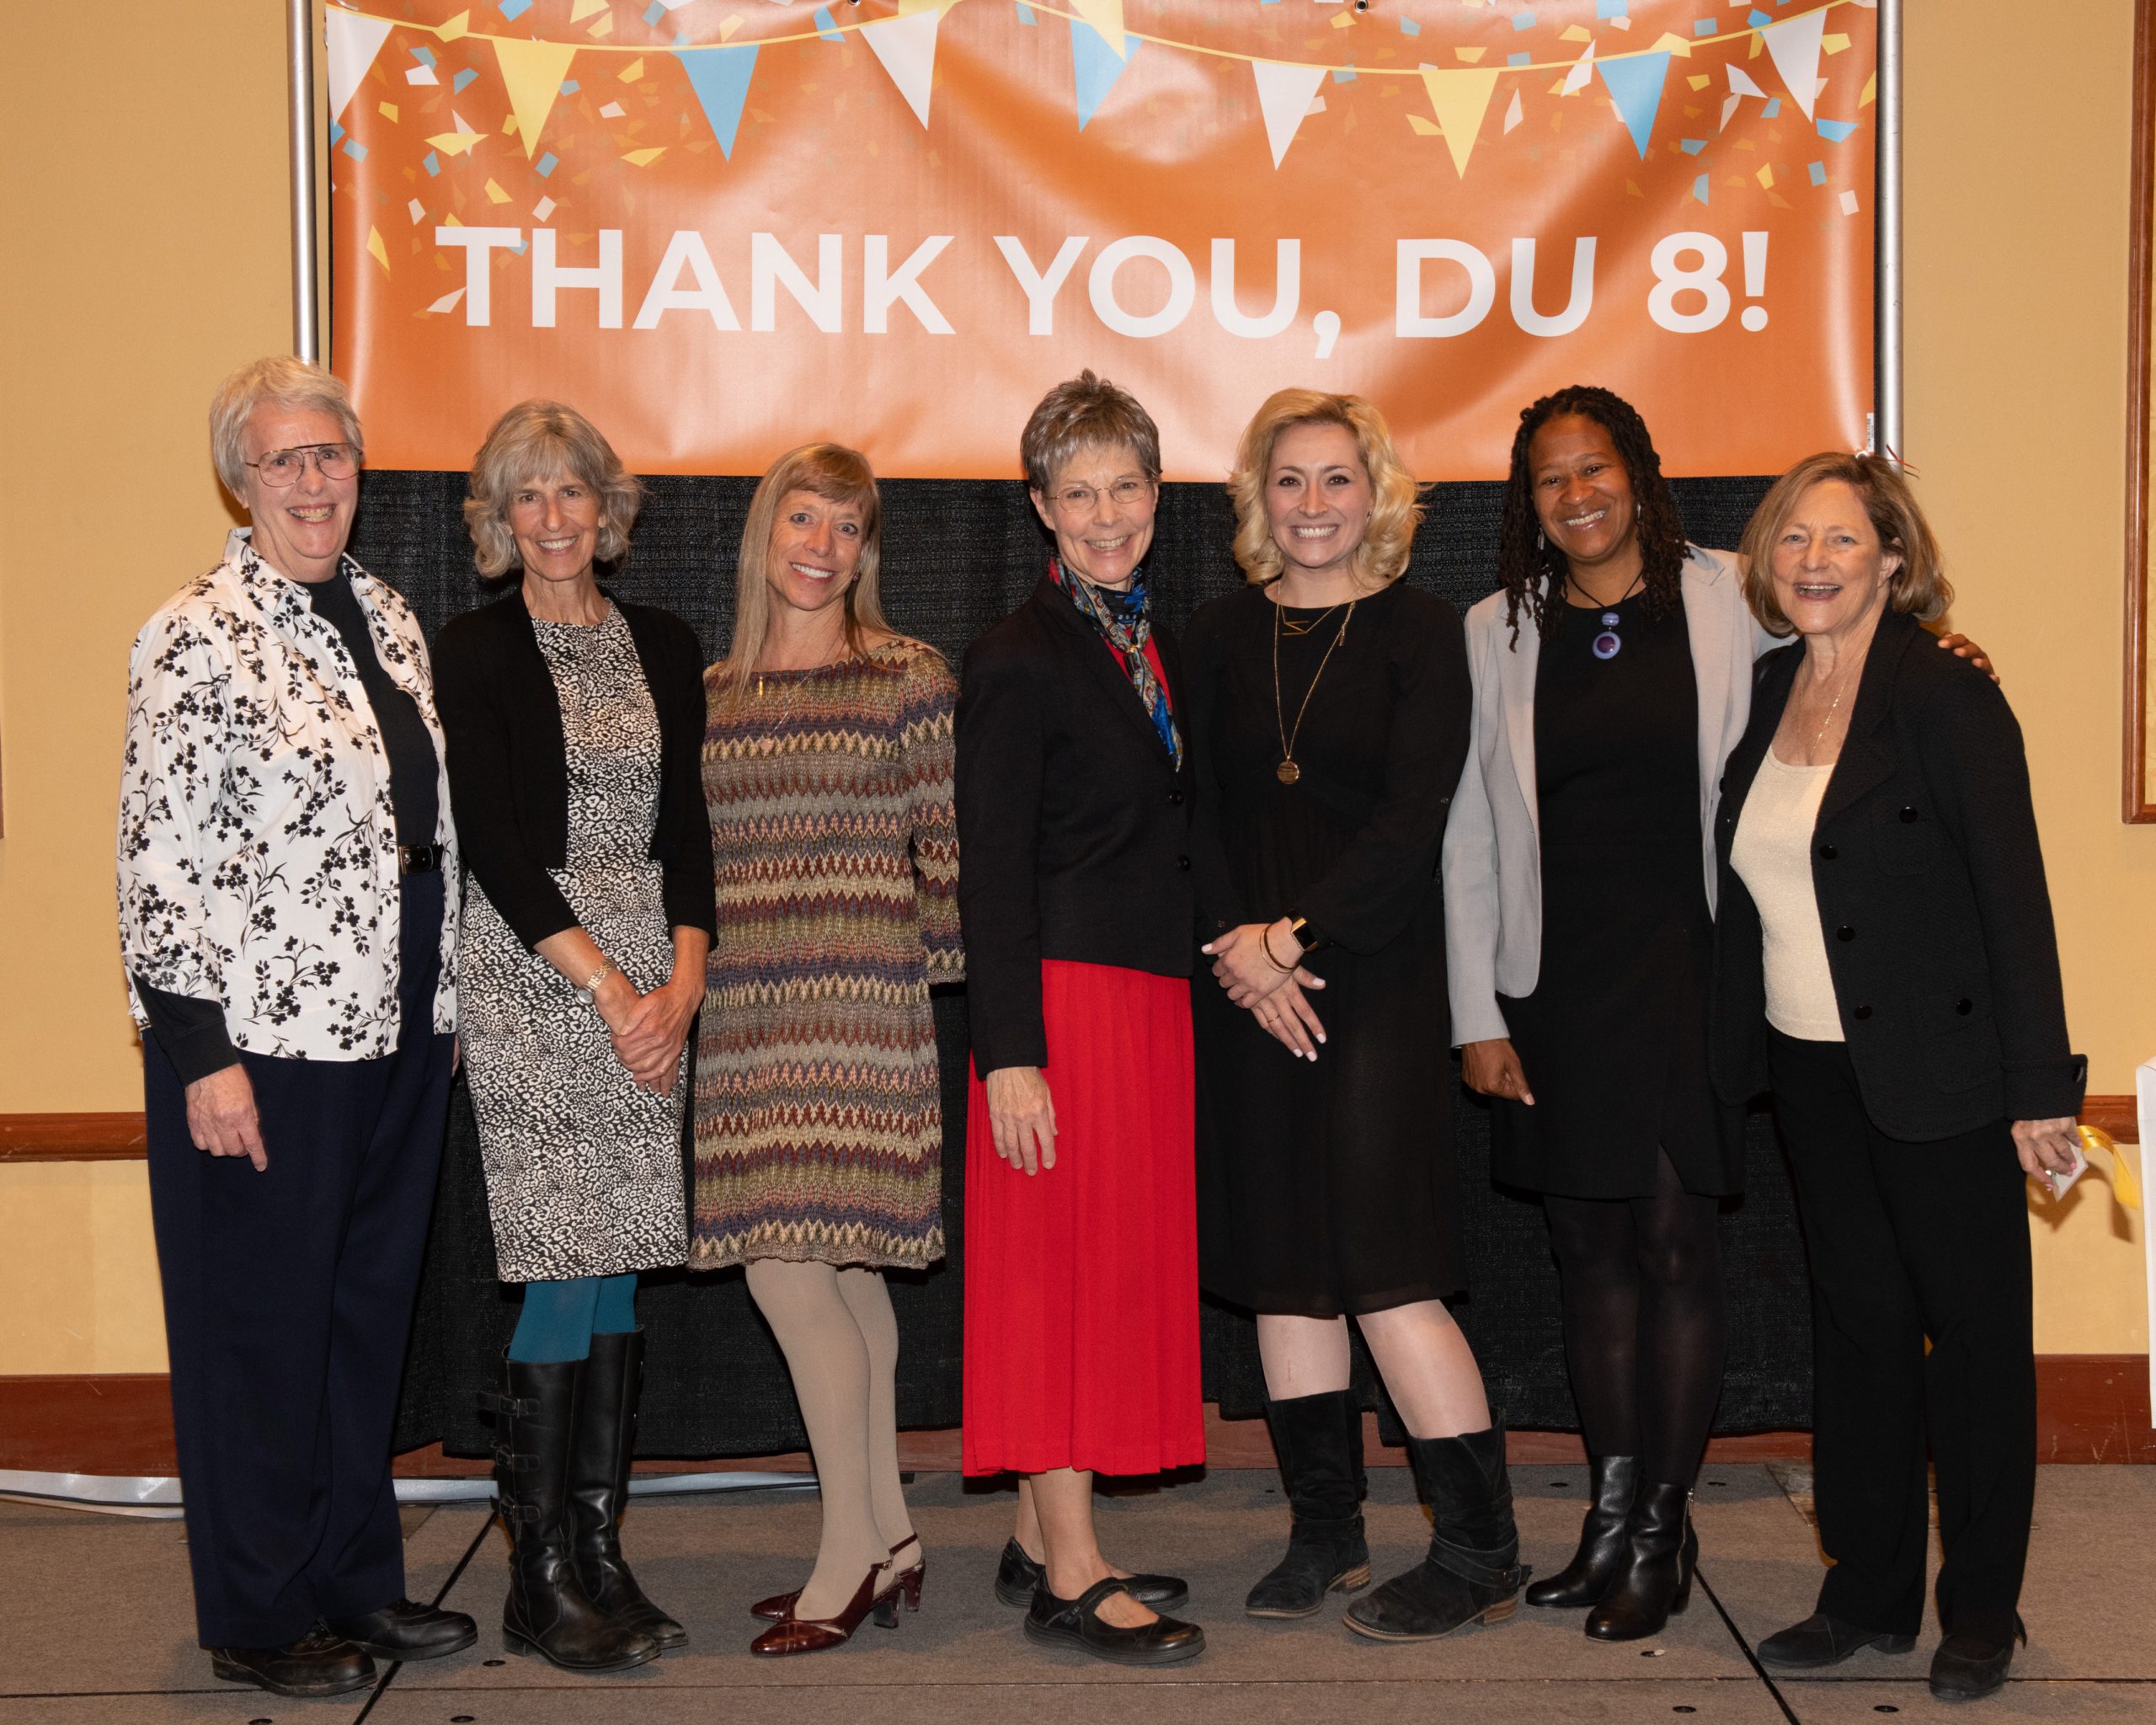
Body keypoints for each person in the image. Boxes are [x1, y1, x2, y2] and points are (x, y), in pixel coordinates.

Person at [1443, 386, 1993, 1642]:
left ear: (1638, 471)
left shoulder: (1727, 592)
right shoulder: (1493, 629)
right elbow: (1467, 832)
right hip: (1551, 986)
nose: (1577, 495)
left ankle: (1662, 1524)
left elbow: (1845, 649)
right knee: (1585, 1259)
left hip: (1694, 974)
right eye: (1549, 479)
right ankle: (1617, 1512)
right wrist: (1476, 1008)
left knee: (1677, 1247)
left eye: (1596, 468)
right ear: (1525, 502)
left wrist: (1943, 646)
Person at [117, 355, 472, 1699]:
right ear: (239, 479)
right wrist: (198, 1052)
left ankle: (351, 1580)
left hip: (391, 1032)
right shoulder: (194, 632)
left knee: (362, 1316)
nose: (314, 480)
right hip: (257, 1048)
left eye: (331, 454)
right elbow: (161, 861)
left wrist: (434, 1010)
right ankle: (260, 1613)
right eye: (285, 459)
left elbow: (418, 835)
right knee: (259, 1325)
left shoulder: (386, 615)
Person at [1711, 452, 2082, 1704]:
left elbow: (2014, 902)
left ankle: (1980, 1610)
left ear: (1892, 559)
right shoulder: (1769, 693)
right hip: (1811, 1076)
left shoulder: (1946, 696)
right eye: (1794, 541)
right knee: (1857, 1338)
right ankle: (1861, 1593)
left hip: (1950, 1077)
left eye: (1841, 541)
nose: (1814, 561)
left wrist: (2043, 1089)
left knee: (1974, 1347)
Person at [1189, 388, 1523, 1645]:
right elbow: (1203, 816)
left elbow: (1413, 820)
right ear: (1257, 497)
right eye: (1291, 480)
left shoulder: (1421, 633)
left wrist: (1295, 938)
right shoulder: (1216, 634)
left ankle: (1480, 1546)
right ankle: (1324, 1530)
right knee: (1285, 1264)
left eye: (1338, 480)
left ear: (1375, 495)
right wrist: (1240, 953)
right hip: (1246, 991)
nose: (1314, 504)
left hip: (1371, 982)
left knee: (1387, 1268)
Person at [432, 400, 714, 1673]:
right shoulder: (476, 649)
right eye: (525, 498)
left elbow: (690, 833)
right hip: (540, 970)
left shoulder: (664, 640)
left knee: (618, 1261)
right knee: (563, 1256)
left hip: (654, 972)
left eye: (572, 493)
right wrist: (610, 989)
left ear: (609, 509)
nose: (552, 518)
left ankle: (599, 1552)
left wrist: (684, 984)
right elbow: (491, 839)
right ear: (500, 522)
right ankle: (536, 1574)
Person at [690, 443, 961, 1657]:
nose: (821, 545)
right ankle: (892, 1533)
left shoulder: (905, 674)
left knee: (801, 1274)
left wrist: (929, 986)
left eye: (846, 528)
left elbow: (944, 849)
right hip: (746, 1012)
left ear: (867, 550)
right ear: (767, 531)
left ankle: (845, 1551)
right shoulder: (710, 691)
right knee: (830, 1278)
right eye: (804, 518)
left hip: (861, 1009)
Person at [956, 371, 1207, 1667]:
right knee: (1053, 1282)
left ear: (1156, 497)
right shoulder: (1016, 657)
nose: (1106, 514)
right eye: (1078, 492)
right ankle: (1069, 1570)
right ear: (1041, 508)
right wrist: (1010, 1055)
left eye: (1126, 487)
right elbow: (988, 870)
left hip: (1144, 1009)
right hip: (1059, 1016)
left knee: (1102, 1276)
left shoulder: (1143, 637)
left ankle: (1046, 1531)